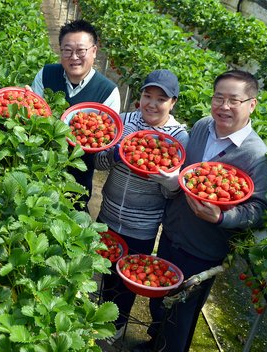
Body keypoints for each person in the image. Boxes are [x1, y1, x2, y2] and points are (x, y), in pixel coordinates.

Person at [133, 70, 267, 352]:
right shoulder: (201, 127)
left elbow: (258, 209)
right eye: (219, 98)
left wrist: (222, 217)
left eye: (234, 100)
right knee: (160, 297)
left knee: (182, 314)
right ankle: (153, 343)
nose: (224, 106)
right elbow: (186, 173)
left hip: (204, 249)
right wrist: (172, 182)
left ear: (252, 104)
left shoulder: (256, 154)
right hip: (172, 232)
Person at [94, 69, 189, 340]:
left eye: (161, 99)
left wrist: (168, 181)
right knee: (104, 268)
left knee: (128, 276)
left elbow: (173, 194)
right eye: (148, 95)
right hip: (109, 212)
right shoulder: (124, 121)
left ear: (173, 103)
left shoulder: (179, 138)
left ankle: (117, 324)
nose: (152, 103)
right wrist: (114, 153)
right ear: (140, 97)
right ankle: (102, 312)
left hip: (143, 224)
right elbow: (99, 162)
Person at [30, 19, 121, 205]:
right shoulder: (46, 74)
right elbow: (33, 117)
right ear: (60, 51)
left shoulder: (108, 91)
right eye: (67, 50)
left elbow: (103, 139)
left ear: (94, 51)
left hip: (78, 177)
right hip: (39, 167)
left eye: (81, 50)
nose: (74, 57)